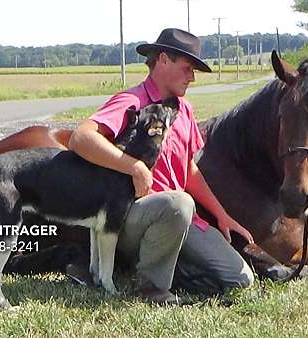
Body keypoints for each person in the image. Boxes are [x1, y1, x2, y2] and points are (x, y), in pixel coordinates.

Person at [68, 28, 255, 305]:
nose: (192, 77)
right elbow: (81, 138)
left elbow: (189, 170)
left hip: (178, 216)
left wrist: (221, 215)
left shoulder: (185, 110)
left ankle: (172, 267)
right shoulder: (132, 102)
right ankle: (151, 287)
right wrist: (135, 167)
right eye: (188, 68)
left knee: (240, 279)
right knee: (179, 203)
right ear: (163, 59)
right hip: (129, 219)